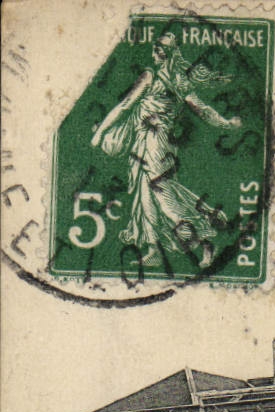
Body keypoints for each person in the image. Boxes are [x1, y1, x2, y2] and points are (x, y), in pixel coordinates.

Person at [89, 32, 243, 269]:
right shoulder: (179, 81)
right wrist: (226, 123)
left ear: (163, 54)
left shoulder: (150, 77)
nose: (153, 54)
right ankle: (153, 251)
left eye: (156, 50)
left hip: (153, 143)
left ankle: (204, 242)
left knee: (164, 199)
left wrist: (100, 134)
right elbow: (203, 110)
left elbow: (124, 105)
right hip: (151, 143)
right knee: (145, 197)